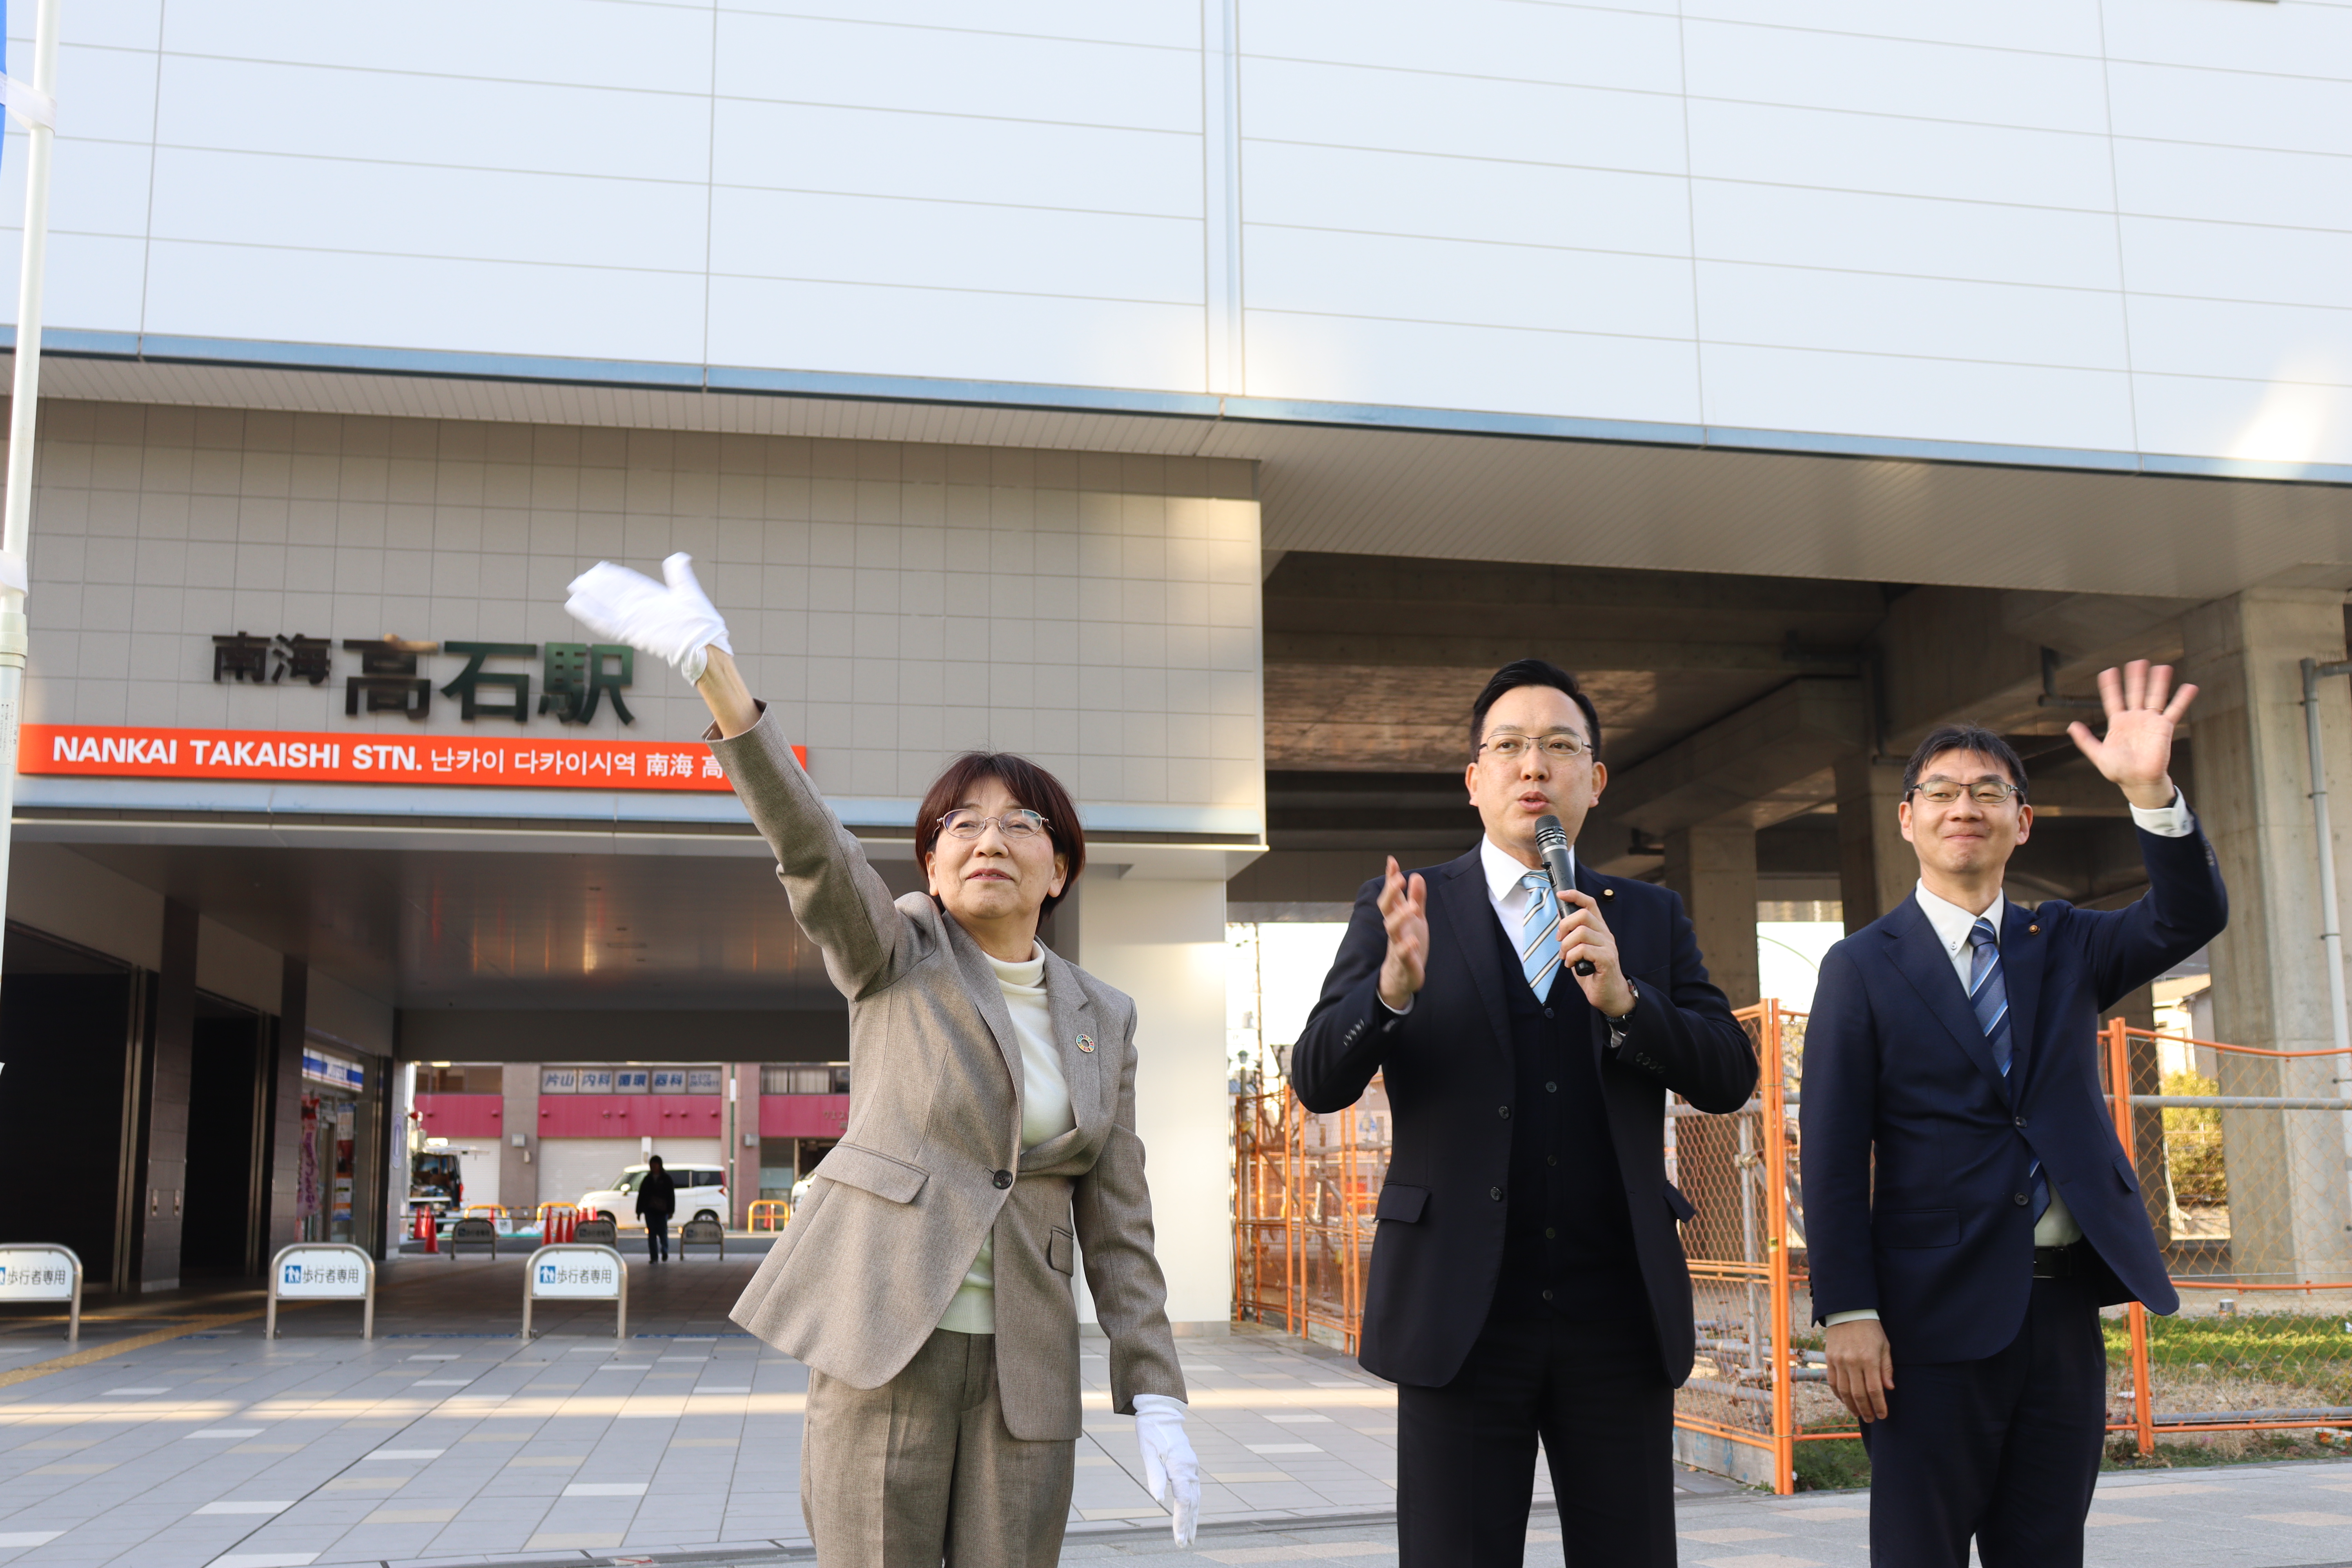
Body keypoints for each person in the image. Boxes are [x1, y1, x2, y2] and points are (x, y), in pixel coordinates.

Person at [562, 554, 1198, 1568]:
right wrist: (718, 681)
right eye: (960, 824)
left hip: (1025, 1377)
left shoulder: (1105, 1016)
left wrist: (1156, 1390)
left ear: (1062, 866)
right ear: (932, 868)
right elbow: (814, 850)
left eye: (1019, 823)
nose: (988, 838)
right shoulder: (898, 950)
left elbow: (1119, 1225)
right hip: (884, 1342)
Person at [1291, 658, 1758, 1567]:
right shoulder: (1408, 907)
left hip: (1615, 1309)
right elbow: (1317, 1078)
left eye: (1557, 745)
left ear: (1595, 778)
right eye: (1506, 746)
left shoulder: (1648, 916)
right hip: (1457, 1314)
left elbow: (1727, 1076)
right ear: (1475, 781)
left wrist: (1630, 1001)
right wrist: (1387, 994)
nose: (1531, 764)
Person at [1801, 662, 2227, 1566]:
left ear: (2021, 822)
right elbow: (1834, 1157)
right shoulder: (1860, 967)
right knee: (1919, 1550)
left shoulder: (2065, 942)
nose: (1966, 807)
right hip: (1924, 1322)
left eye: (1989, 792)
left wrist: (2150, 792)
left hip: (2061, 1311)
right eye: (1943, 792)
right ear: (1908, 817)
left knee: (2045, 1548)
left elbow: (2188, 914)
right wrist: (1846, 1308)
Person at [636, 1154, 677, 1263]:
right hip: (650, 1211)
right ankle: (654, 1257)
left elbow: (671, 1196)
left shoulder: (666, 1179)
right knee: (652, 1234)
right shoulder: (647, 1179)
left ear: (660, 1165)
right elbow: (642, 1195)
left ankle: (664, 1251)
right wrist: (639, 1211)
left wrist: (671, 1210)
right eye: (652, 1165)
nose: (653, 1167)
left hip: (662, 1211)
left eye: (655, 1165)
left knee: (663, 1232)